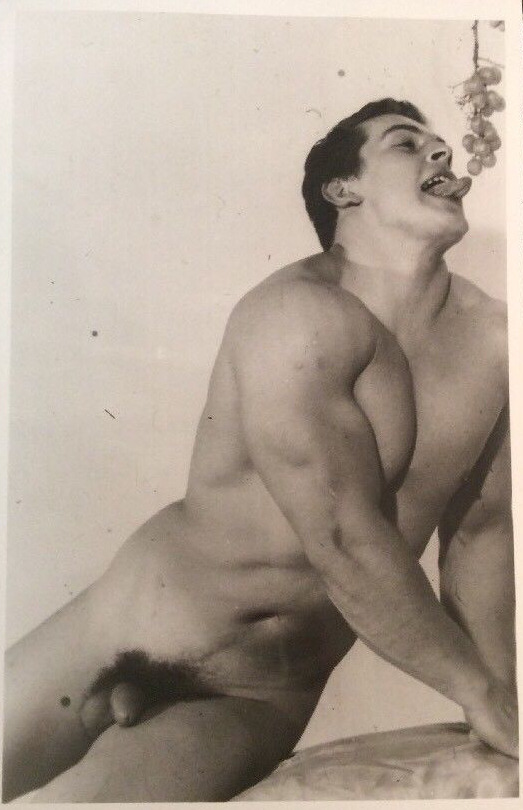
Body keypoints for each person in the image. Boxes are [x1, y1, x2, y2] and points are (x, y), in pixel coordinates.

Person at [3, 98, 517, 803]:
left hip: (253, 695)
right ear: (343, 191)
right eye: (406, 144)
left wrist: (501, 703)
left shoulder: (494, 341)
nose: (442, 152)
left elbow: (481, 533)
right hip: (121, 631)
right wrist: (475, 689)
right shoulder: (295, 314)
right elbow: (342, 541)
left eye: (440, 144)